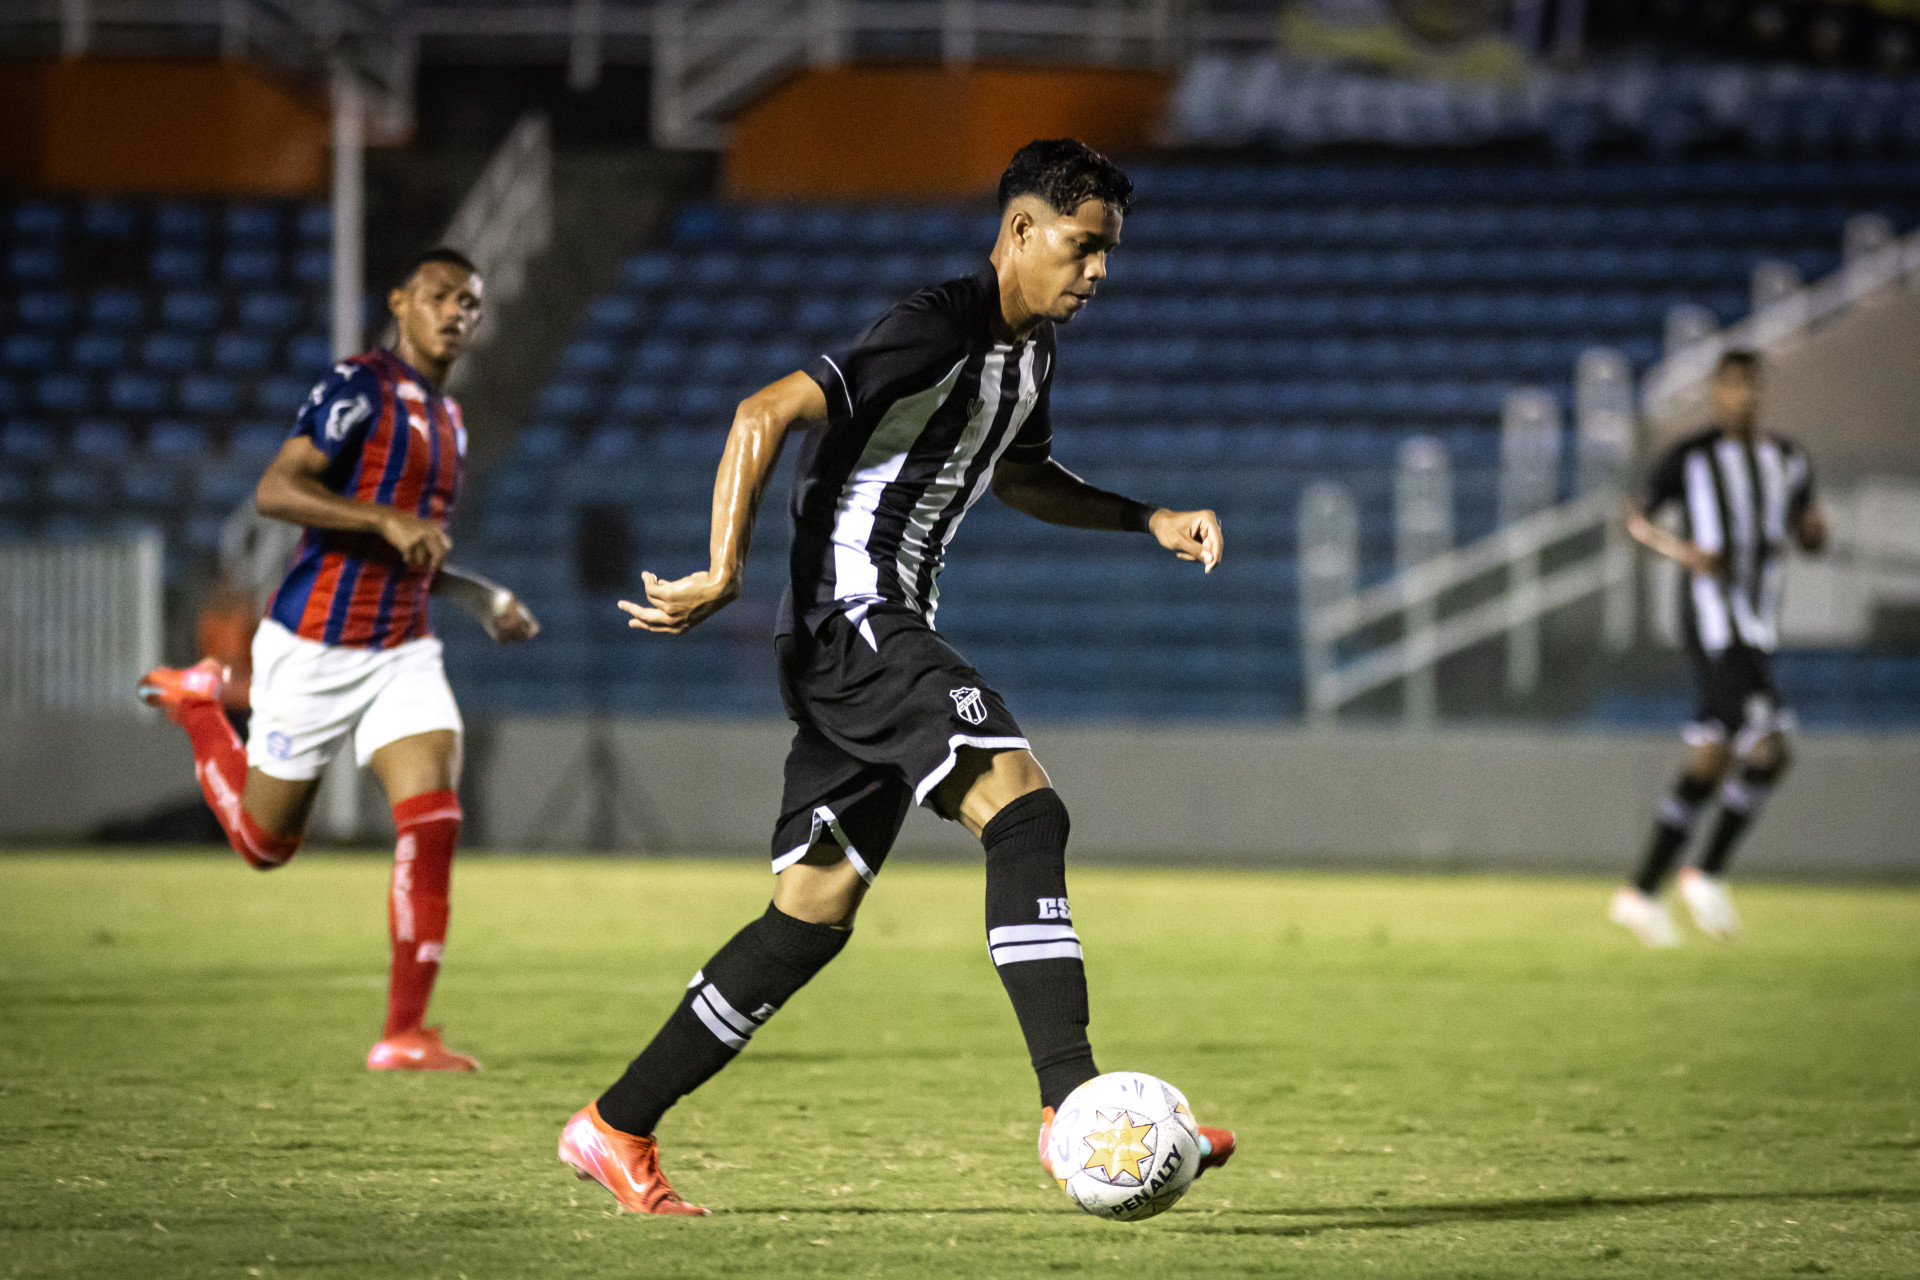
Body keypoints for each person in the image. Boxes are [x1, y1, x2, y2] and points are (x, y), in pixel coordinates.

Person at [556, 139, 1236, 1215]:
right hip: (852, 621)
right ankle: (1073, 1104)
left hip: (871, 634)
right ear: (1021, 230)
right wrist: (723, 567)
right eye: (1084, 245)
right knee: (1024, 812)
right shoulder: (935, 325)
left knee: (808, 915)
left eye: (1109, 252)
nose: (1099, 271)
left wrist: (1147, 516)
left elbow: (1017, 472)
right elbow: (761, 412)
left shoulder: (1033, 354)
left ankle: (614, 1125)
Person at [137, 247, 540, 1069]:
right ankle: (202, 708)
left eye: (469, 299)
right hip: (314, 649)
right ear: (399, 301)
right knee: (263, 846)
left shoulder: (451, 418)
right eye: (438, 294)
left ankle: (404, 1032)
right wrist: (382, 518)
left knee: (433, 821)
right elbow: (277, 490)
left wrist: (477, 598)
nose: (456, 310)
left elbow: (412, 548)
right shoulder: (357, 386)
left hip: (402, 652)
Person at [1609, 349, 1826, 947]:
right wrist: (1687, 553)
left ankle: (1640, 892)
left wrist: (1814, 533)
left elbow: (1809, 532)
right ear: (1716, 393)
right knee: (1771, 748)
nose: (1743, 398)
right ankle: (1703, 874)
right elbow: (1633, 520)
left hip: (1757, 624)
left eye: (1751, 387)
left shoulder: (1787, 458)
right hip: (1711, 622)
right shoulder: (1691, 456)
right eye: (1732, 388)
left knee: (1711, 760)